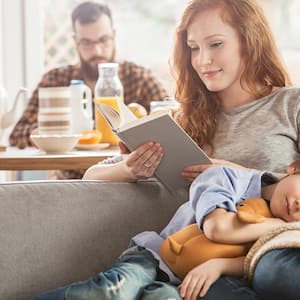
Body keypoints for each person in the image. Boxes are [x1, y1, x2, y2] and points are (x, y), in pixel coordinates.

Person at [84, 0, 300, 299]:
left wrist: (240, 173)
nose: (203, 60)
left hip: (277, 250)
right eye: (194, 48)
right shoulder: (182, 121)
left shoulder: (291, 104)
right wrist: (129, 168)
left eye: (215, 44)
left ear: (250, 41)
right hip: (203, 261)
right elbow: (91, 175)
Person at [32, 164, 300, 300]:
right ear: (295, 169)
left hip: (189, 283)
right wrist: (285, 226)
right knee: (112, 291)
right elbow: (217, 228)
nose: (299, 207)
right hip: (154, 257)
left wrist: (219, 266)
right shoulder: (228, 178)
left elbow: (252, 264)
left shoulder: (284, 237)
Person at [9, 1, 168, 179]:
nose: (97, 50)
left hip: (127, 181)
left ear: (113, 36)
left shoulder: (138, 79)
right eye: (87, 42)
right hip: (70, 182)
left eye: (103, 40)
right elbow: (17, 135)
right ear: (75, 41)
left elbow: (171, 119)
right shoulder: (56, 80)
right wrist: (62, 134)